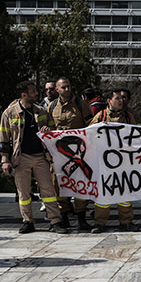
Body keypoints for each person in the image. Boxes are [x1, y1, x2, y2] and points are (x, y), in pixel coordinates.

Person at [0, 81, 68, 234]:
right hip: (20, 158)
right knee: (24, 192)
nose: (37, 93)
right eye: (33, 91)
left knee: (48, 190)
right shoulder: (9, 113)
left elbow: (54, 132)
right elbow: (3, 139)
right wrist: (5, 160)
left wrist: (48, 130)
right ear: (24, 95)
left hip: (40, 157)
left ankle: (55, 221)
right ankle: (27, 221)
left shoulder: (42, 111)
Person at [89, 91, 139, 233]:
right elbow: (89, 134)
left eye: (122, 98)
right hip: (104, 161)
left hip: (124, 160)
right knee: (103, 192)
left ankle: (126, 221)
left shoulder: (129, 116)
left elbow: (137, 135)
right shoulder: (101, 116)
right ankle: (100, 223)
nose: (121, 101)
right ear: (109, 100)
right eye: (117, 98)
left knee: (124, 192)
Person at [48, 77, 93, 230]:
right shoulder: (51, 107)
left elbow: (90, 126)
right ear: (57, 90)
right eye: (63, 87)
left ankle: (81, 217)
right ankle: (64, 216)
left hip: (78, 153)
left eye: (68, 87)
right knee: (58, 184)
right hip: (59, 153)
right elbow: (47, 127)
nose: (67, 90)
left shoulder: (81, 105)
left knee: (79, 184)